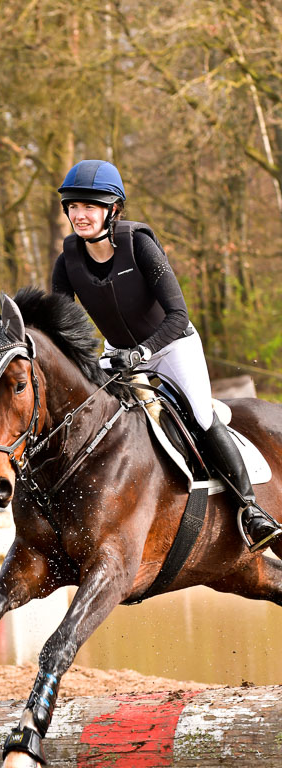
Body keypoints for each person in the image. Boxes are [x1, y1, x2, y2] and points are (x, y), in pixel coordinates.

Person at [52, 158, 281, 553]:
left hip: (172, 346)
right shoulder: (67, 261)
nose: (80, 215)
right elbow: (60, 327)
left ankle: (251, 509)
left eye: (90, 206)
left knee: (201, 414)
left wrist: (143, 351)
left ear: (113, 210)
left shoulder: (139, 245)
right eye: (73, 206)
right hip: (118, 354)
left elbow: (179, 315)